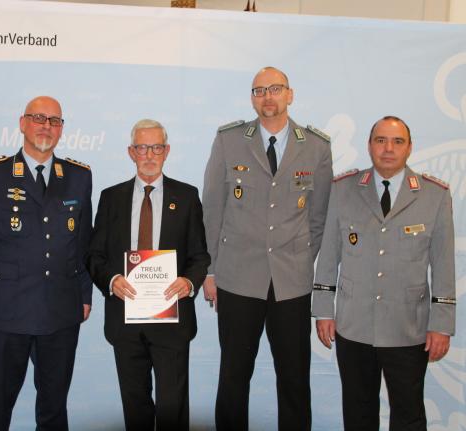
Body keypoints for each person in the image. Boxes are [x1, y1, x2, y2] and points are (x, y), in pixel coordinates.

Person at [202, 66, 333, 430]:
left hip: (291, 283)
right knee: (233, 376)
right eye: (259, 91)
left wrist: (299, 258)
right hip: (237, 279)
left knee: (294, 379)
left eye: (275, 89)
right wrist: (210, 270)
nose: (267, 97)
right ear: (252, 98)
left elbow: (319, 218)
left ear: (290, 94)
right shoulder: (229, 140)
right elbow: (213, 209)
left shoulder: (317, 147)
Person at [313, 116, 456, 431]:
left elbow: (444, 264)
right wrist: (323, 310)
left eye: (397, 141)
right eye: (380, 140)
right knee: (358, 412)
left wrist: (442, 325)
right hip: (354, 325)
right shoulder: (343, 189)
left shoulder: (434, 195)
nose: (388, 149)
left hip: (408, 327)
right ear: (369, 146)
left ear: (409, 148)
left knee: (408, 414)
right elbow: (329, 254)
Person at [0, 96, 93, 431]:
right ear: (22, 123)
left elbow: (83, 245)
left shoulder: (78, 177)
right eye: (38, 118)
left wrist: (84, 295)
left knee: (54, 408)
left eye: (54, 121)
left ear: (61, 129)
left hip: (61, 310)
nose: (46, 126)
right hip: (6, 310)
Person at [87, 119, 210, 431]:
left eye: (156, 147)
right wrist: (111, 281)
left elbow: (200, 256)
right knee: (135, 408)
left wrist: (189, 281)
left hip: (172, 319)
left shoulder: (187, 196)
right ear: (131, 152)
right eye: (142, 148)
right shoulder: (111, 198)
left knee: (173, 409)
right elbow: (94, 256)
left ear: (166, 151)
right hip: (124, 319)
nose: (150, 155)